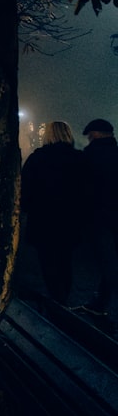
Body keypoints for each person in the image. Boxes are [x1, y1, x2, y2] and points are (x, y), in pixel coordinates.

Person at [19, 121, 88, 305]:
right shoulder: (79, 159)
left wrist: (26, 208)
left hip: (43, 219)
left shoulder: (37, 158)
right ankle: (63, 297)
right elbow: (87, 190)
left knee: (47, 260)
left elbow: (25, 189)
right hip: (70, 220)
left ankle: (55, 298)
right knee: (65, 259)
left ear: (47, 135)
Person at [78, 118, 118, 327]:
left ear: (95, 134)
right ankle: (100, 302)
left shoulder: (89, 156)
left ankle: (102, 305)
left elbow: (82, 190)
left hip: (98, 217)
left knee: (106, 262)